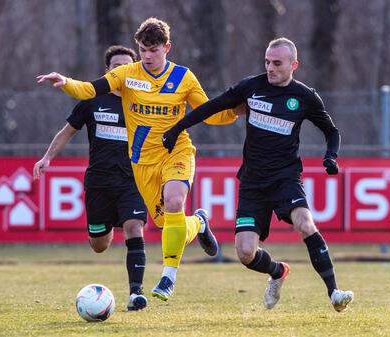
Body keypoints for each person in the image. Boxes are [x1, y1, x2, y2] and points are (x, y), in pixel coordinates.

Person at [37, 17, 244, 301]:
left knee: (174, 201)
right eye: (143, 50)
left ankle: (167, 279)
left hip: (177, 152)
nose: (147, 56)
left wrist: (237, 110)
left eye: (153, 50)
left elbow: (211, 113)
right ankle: (199, 223)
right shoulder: (127, 74)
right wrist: (66, 82)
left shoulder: (184, 77)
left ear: (167, 48)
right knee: (169, 225)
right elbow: (90, 90)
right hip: (142, 164)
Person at [162, 37, 354, 312]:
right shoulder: (251, 87)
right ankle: (277, 271)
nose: (270, 68)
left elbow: (332, 130)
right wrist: (177, 128)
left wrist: (330, 156)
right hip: (253, 182)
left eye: (277, 63)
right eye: (267, 62)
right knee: (245, 253)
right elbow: (212, 106)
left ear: (293, 65)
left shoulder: (305, 97)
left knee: (305, 223)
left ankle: (335, 293)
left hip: (286, 177)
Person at [33, 45, 149, 311]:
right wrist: (47, 157)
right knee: (99, 245)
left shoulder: (146, 101)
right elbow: (66, 132)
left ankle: (136, 294)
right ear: (107, 72)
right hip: (99, 182)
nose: (122, 71)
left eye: (127, 67)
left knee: (134, 227)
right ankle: (104, 232)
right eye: (116, 67)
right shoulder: (92, 100)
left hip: (133, 180)